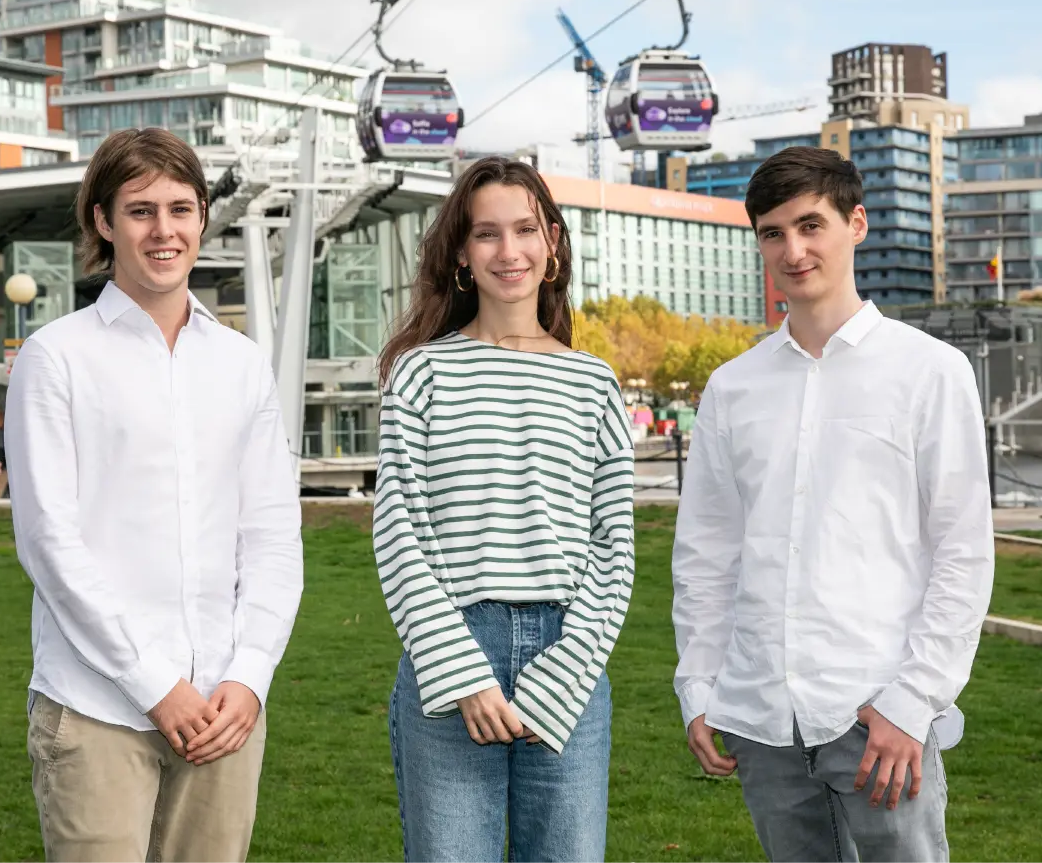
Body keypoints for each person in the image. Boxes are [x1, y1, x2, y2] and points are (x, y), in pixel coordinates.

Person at [671, 146, 994, 862]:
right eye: (772, 232)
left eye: (810, 224)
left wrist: (911, 701)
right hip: (760, 714)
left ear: (856, 223)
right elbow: (706, 552)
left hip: (877, 709)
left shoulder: (930, 371)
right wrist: (697, 683)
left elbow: (962, 550)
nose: (793, 249)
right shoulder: (731, 387)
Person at [5, 127, 303, 863]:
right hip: (97, 705)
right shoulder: (56, 358)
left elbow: (270, 533)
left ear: (204, 216)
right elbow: (49, 541)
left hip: (224, 708)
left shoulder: (242, 364)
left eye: (180, 207)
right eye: (140, 210)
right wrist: (153, 682)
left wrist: (250, 672)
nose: (163, 230)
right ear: (104, 223)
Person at [373, 156, 635, 862]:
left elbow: (612, 547)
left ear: (552, 240)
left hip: (569, 656)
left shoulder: (593, 383)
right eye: (486, 233)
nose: (508, 250)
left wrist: (564, 671)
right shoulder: (421, 372)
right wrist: (461, 673)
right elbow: (399, 533)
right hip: (451, 651)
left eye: (524, 229)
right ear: (460, 252)